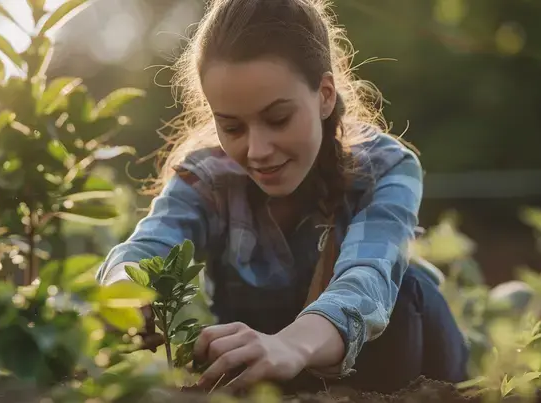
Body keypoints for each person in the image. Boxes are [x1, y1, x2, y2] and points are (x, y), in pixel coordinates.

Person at [96, 0, 468, 393]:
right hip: (277, 368)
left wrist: (289, 345)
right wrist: (128, 294)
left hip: (405, 364)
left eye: (277, 119)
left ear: (324, 95)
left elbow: (367, 278)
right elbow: (145, 247)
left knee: (406, 289)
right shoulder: (208, 180)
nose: (257, 151)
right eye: (233, 127)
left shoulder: (385, 168)